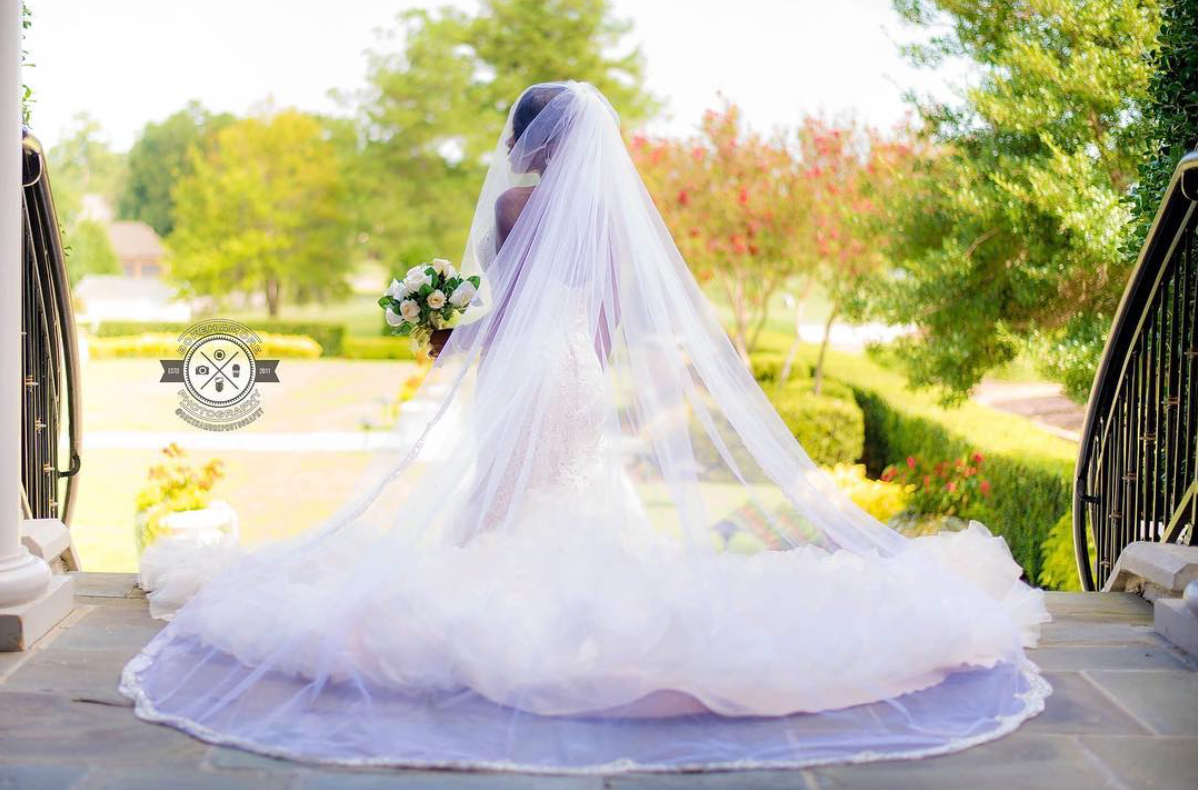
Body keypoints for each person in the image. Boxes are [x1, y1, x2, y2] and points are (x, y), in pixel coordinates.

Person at [121, 81, 1050, 774]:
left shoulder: (520, 204)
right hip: (573, 369)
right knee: (563, 483)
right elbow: (598, 319)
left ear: (534, 139)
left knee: (507, 488)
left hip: (527, 366)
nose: (511, 147)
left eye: (517, 132)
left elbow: (504, 310)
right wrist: (570, 368)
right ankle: (573, 606)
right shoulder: (600, 210)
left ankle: (504, 602)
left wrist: (448, 331)